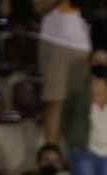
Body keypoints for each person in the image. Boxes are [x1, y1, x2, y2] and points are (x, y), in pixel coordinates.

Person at [35, 0, 91, 144]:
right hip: (56, 42)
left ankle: (72, 155)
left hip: (85, 45)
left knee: (77, 104)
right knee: (55, 101)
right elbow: (38, 7)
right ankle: (51, 153)